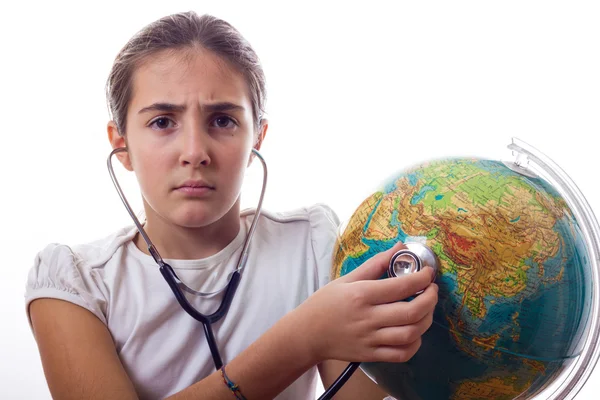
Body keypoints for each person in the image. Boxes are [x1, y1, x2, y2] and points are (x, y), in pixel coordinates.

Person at [25, 11, 438, 400]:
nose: (194, 152)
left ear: (257, 136)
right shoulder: (73, 283)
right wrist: (300, 338)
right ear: (122, 145)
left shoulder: (312, 244)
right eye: (162, 122)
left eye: (222, 120)